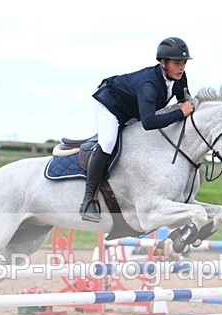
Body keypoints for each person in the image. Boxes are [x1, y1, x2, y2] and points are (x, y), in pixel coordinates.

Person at [79, 37, 196, 222]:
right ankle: (87, 201)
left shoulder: (180, 78)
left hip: (132, 110)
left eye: (183, 63)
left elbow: (185, 100)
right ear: (163, 63)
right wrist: (180, 113)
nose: (181, 67)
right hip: (110, 105)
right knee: (108, 141)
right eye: (176, 63)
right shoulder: (149, 84)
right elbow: (148, 122)